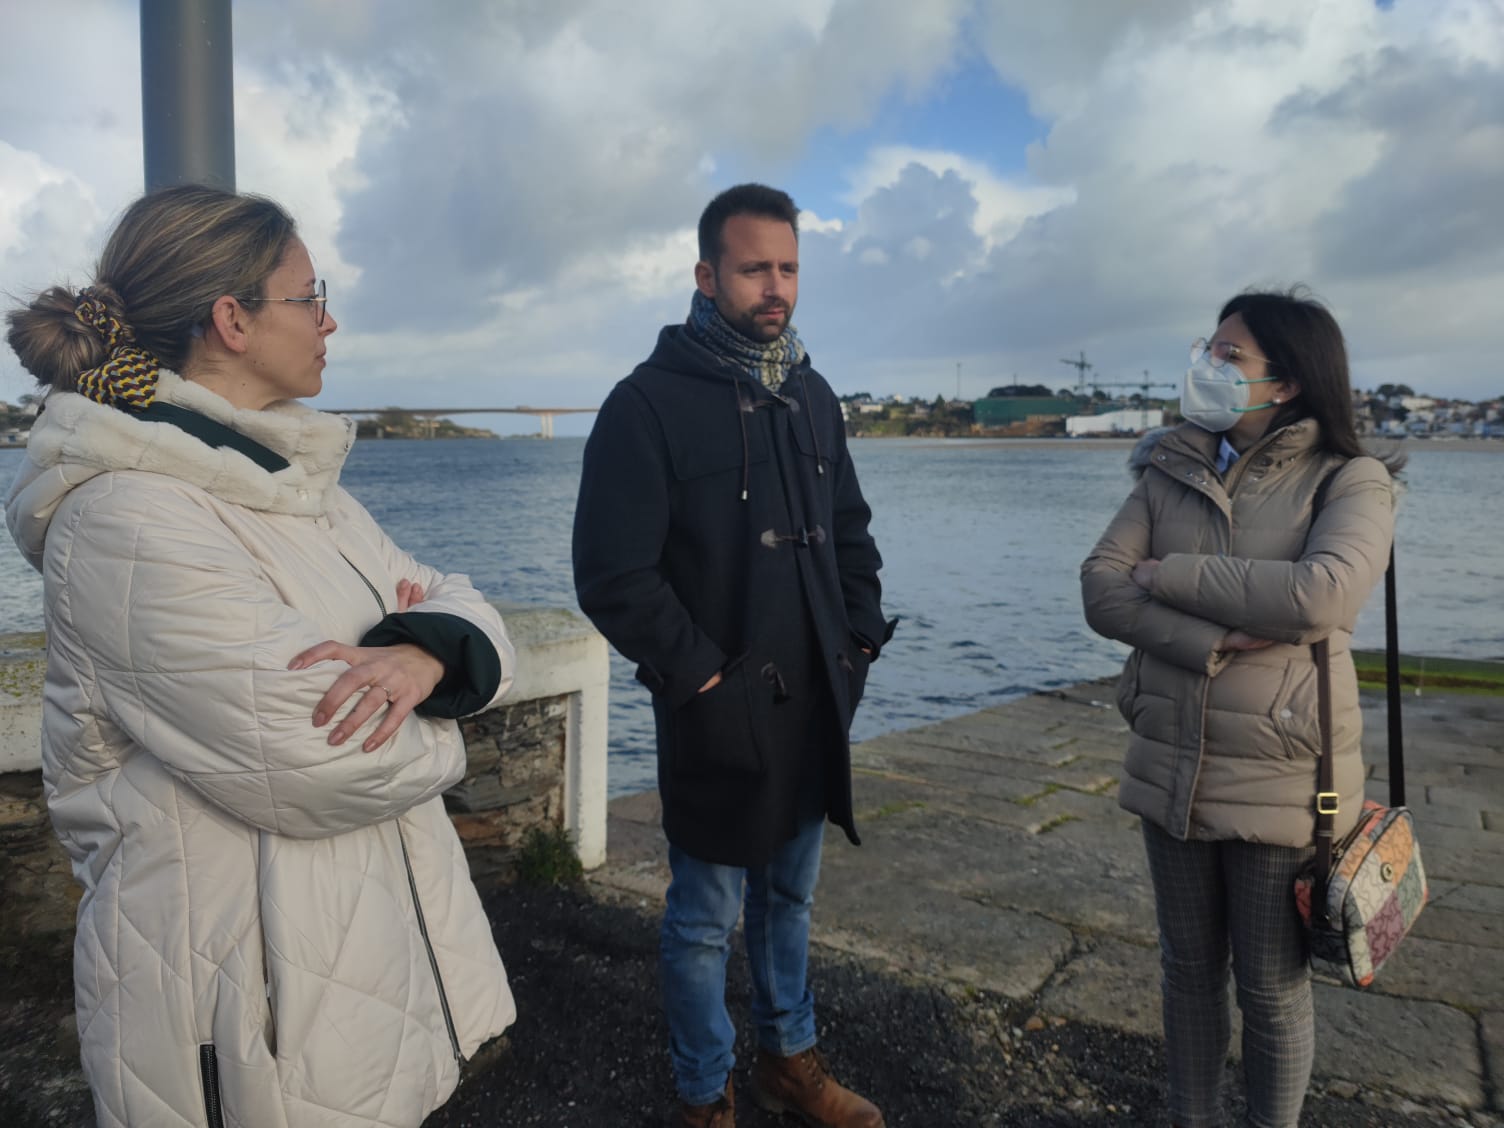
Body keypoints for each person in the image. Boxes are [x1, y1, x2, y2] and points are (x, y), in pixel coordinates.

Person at [4, 185, 517, 1128]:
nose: (331, 318)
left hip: (353, 977)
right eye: (308, 294)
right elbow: (321, 757)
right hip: (246, 1014)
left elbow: (459, 599)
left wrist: (426, 660)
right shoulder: (128, 517)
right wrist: (453, 719)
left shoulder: (292, 487)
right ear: (231, 320)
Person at [572, 183, 893, 1128]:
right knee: (704, 918)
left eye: (789, 267)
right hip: (717, 708)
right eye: (756, 268)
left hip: (814, 705)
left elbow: (851, 531)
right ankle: (703, 1091)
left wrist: (861, 637)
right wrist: (704, 676)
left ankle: (789, 1062)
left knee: (790, 896)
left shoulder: (813, 393)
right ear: (708, 275)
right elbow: (612, 574)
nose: (776, 287)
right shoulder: (645, 405)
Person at [1080, 288, 1400, 1128]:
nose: (1208, 365)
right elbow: (1099, 590)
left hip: (1282, 772)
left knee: (1271, 988)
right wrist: (1216, 642)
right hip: (1170, 757)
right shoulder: (1168, 465)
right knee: (1185, 973)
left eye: (1230, 356)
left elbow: (1320, 595)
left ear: (1287, 381)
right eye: (1208, 348)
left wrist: (1170, 576)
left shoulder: (1351, 479)